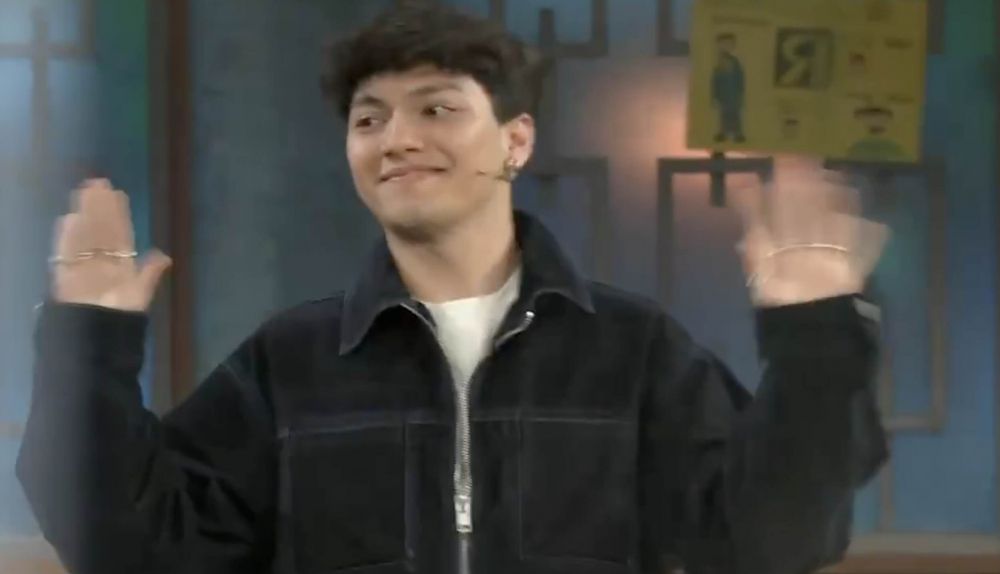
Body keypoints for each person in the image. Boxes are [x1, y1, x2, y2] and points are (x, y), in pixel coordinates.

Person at [17, 3, 890, 574]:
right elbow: (132, 546)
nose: (396, 138)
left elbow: (774, 540)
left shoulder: (634, 350)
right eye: (369, 119)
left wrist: (816, 339)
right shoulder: (289, 363)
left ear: (516, 141)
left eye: (436, 108)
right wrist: (86, 343)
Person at [712, 32, 746, 143]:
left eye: (729, 44)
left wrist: (741, 91)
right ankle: (723, 133)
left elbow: (740, 77)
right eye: (723, 44)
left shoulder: (735, 61)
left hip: (734, 93)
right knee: (724, 115)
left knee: (735, 115)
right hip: (723, 94)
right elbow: (716, 80)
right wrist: (715, 95)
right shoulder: (717, 62)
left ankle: (737, 134)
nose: (726, 47)